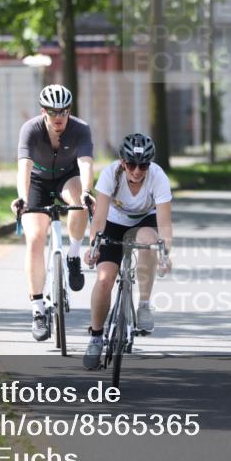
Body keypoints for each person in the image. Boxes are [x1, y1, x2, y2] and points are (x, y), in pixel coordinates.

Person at [83, 133, 173, 370]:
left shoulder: (157, 177)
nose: (136, 170)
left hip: (144, 220)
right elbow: (99, 217)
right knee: (104, 280)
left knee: (147, 240)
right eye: (131, 164)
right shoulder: (110, 174)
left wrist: (165, 254)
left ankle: (143, 304)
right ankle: (95, 337)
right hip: (113, 222)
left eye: (142, 165)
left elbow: (164, 224)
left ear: (149, 164)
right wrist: (92, 246)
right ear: (123, 162)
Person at [12, 84, 95, 341]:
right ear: (43, 110)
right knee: (35, 238)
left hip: (66, 178)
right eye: (52, 111)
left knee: (79, 203)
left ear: (70, 110)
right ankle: (38, 310)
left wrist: (87, 192)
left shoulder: (80, 129)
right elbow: (24, 167)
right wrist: (23, 198)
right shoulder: (31, 129)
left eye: (63, 111)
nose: (58, 117)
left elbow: (85, 163)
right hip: (37, 182)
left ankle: (72, 256)